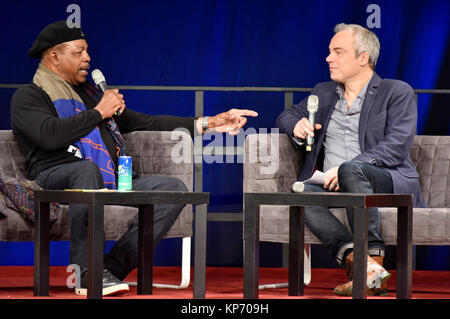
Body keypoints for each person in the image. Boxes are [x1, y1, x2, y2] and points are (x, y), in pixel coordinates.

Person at [10, 20, 257, 296]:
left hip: (109, 178)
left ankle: (110, 269)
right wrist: (99, 112)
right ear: (54, 56)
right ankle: (84, 272)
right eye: (79, 52)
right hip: (53, 179)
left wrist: (209, 122)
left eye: (87, 51)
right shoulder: (29, 96)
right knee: (85, 171)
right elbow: (49, 135)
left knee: (171, 190)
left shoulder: (91, 95)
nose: (88, 58)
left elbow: (145, 122)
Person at [276, 23, 426, 296]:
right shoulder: (323, 92)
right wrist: (296, 125)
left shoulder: (396, 91)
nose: (328, 58)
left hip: (384, 181)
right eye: (329, 52)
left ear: (362, 58)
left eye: (338, 52)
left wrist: (348, 169)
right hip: (332, 183)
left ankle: (374, 257)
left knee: (351, 170)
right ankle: (361, 264)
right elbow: (285, 116)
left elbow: (396, 146)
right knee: (299, 193)